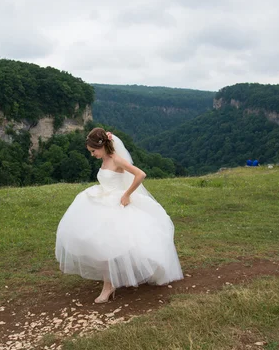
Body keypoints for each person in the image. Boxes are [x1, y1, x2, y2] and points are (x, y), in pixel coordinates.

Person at [55, 128, 184, 303]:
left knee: (112, 243)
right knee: (98, 241)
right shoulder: (106, 159)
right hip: (102, 199)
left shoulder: (116, 159)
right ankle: (111, 281)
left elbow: (140, 174)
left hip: (116, 202)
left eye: (93, 151)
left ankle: (109, 286)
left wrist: (127, 194)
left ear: (102, 146)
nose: (92, 155)